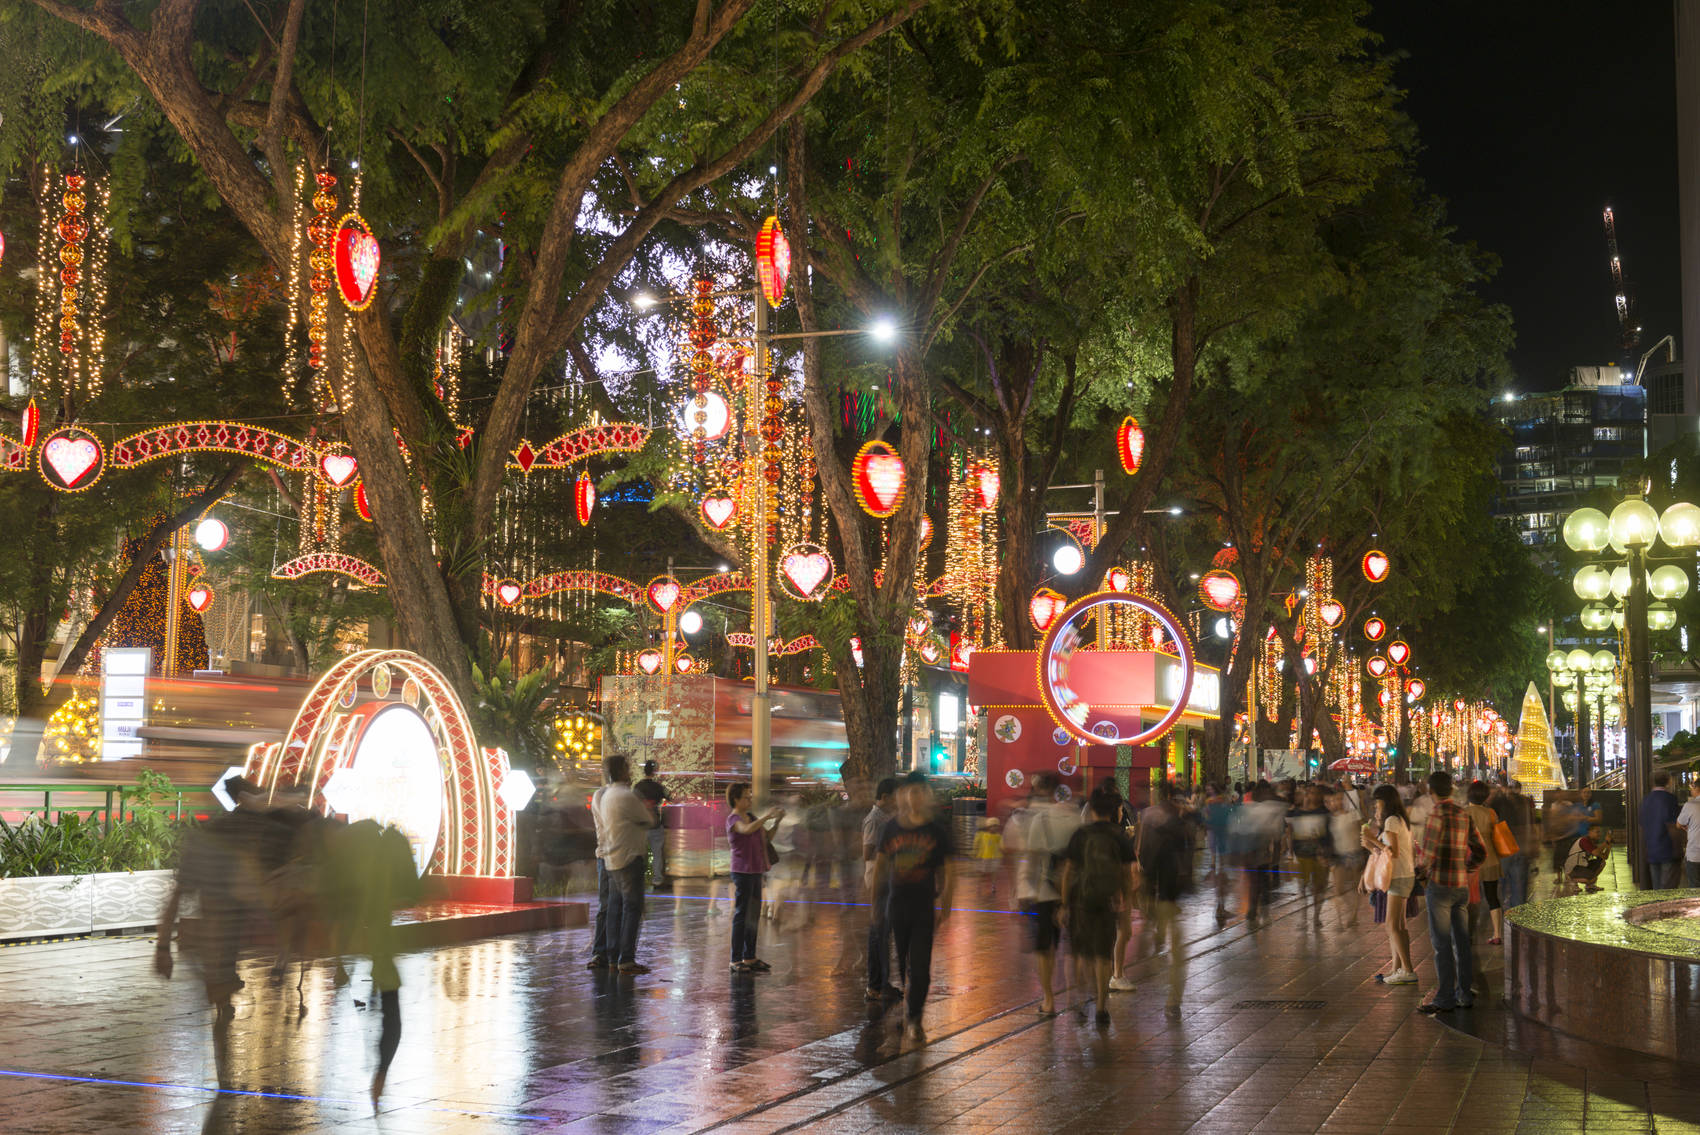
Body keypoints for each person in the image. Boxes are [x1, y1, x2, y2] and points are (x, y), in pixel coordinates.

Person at [871, 780, 956, 1044]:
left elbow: (949, 869)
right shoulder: (891, 828)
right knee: (903, 960)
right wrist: (874, 903)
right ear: (904, 796)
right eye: (910, 792)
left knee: (920, 965)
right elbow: (880, 866)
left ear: (926, 796)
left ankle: (915, 1017)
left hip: (923, 907)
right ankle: (911, 1003)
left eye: (920, 792)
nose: (914, 797)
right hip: (897, 905)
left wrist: (946, 904)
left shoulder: (936, 831)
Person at [1059, 785, 1137, 1026]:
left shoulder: (1081, 835)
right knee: (1104, 954)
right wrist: (1125, 908)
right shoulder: (1119, 836)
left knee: (1082, 952)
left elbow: (1068, 871)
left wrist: (1063, 904)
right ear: (1115, 811)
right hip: (1108, 901)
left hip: (1081, 899)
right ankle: (1102, 1006)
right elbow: (1127, 876)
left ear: (1091, 809)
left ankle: (1081, 998)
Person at [1003, 772, 1079, 1014]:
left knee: (1044, 948)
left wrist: (1020, 890)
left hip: (1040, 891)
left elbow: (1015, 854)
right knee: (1071, 947)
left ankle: (1048, 1000)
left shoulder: (1022, 816)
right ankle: (1073, 995)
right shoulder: (1073, 816)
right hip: (1072, 891)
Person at [1414, 771, 1486, 1015]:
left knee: (1441, 943)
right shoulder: (1462, 813)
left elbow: (1427, 855)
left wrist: (1421, 872)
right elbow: (1480, 850)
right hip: (1461, 885)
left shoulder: (1437, 813)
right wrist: (1467, 868)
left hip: (1441, 886)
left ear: (1431, 791)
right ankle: (1464, 994)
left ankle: (1445, 997)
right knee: (1462, 942)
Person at [593, 753, 656, 975]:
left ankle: (611, 956)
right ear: (622, 771)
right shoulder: (627, 796)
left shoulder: (605, 795)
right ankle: (626, 959)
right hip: (629, 858)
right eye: (628, 768)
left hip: (611, 858)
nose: (630, 772)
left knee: (613, 908)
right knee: (632, 908)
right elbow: (649, 820)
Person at [1136, 781, 1191, 1016]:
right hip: (1169, 890)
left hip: (1159, 884)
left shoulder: (1150, 816)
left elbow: (1142, 847)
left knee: (1171, 938)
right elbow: (1185, 858)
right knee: (1177, 946)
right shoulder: (1178, 823)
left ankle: (1173, 1000)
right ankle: (1173, 1000)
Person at [725, 783, 783, 973]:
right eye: (746, 797)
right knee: (741, 915)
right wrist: (767, 816)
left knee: (752, 916)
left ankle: (749, 956)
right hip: (741, 871)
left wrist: (776, 822)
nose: (750, 800)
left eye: (750, 796)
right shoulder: (733, 819)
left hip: (756, 871)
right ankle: (735, 959)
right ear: (736, 799)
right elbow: (746, 830)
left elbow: (767, 838)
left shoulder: (752, 817)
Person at [862, 777, 901, 1000]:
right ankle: (875, 986)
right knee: (878, 932)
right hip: (879, 879)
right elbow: (867, 852)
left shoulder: (886, 818)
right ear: (885, 797)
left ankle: (881, 983)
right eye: (895, 797)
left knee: (884, 933)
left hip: (887, 878)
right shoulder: (875, 820)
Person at [1464, 781, 1504, 945]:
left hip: (1470, 860)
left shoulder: (1464, 813)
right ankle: (1497, 934)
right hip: (1491, 860)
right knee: (1492, 897)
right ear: (1485, 797)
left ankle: (1468, 932)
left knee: (1468, 899)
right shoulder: (1491, 813)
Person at [1286, 783, 1331, 928]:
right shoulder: (1296, 813)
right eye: (1309, 793)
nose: (1311, 796)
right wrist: (1290, 853)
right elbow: (1289, 832)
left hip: (1320, 856)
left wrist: (1328, 854)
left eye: (1314, 793)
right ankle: (1304, 918)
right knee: (1302, 887)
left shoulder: (1324, 813)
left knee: (1319, 888)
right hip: (1302, 855)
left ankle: (1316, 917)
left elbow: (1330, 835)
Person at [1492, 780, 1537, 910]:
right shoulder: (1525, 802)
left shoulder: (1500, 802)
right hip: (1520, 847)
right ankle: (1516, 918)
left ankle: (1498, 913)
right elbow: (1531, 823)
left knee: (1501, 884)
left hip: (1504, 847)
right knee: (1518, 886)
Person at [1641, 771, 1683, 889]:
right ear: (1668, 782)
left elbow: (1643, 825)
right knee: (1667, 889)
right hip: (1667, 849)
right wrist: (1678, 849)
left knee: (1656, 887)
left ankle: (1657, 907)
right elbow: (1672, 825)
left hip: (1652, 849)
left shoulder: (1646, 800)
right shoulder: (1670, 799)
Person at [633, 759, 671, 888]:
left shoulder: (637, 787)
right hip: (655, 824)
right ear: (654, 772)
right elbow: (670, 797)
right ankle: (657, 881)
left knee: (639, 854)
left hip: (641, 826)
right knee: (657, 854)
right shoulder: (658, 787)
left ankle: (639, 880)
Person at [1561, 823, 1612, 894]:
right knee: (1592, 879)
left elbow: (1604, 857)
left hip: (1581, 866)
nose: (1599, 834)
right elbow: (1596, 853)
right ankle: (1572, 880)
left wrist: (1608, 847)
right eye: (1597, 832)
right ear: (1590, 832)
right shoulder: (1584, 840)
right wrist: (1605, 842)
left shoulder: (1591, 842)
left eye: (1600, 832)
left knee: (1602, 862)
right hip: (1573, 868)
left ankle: (1590, 885)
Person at [1678, 785, 1700, 887]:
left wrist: (1688, 827)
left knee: (1695, 888)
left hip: (1695, 854)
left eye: (1692, 787)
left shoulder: (1690, 805)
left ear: (1697, 788)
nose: (1691, 789)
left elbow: (1679, 824)